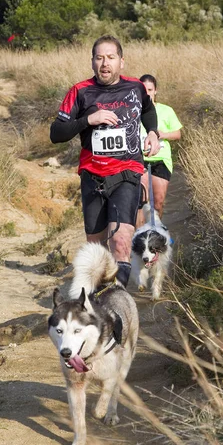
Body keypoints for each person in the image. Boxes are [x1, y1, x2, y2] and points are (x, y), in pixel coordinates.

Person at [50, 36, 160, 287]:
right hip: (93, 176)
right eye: (99, 58)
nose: (105, 63)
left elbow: (147, 110)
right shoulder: (80, 92)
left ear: (122, 61)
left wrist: (152, 132)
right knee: (96, 249)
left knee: (120, 241)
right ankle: (100, 295)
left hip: (127, 172)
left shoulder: (136, 87)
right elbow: (56, 133)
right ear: (92, 62)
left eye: (110, 57)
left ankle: (118, 298)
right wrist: (88, 120)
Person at [137, 74, 182, 225]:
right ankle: (141, 237)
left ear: (155, 91)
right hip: (139, 159)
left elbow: (178, 134)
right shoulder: (133, 111)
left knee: (158, 202)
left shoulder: (166, 110)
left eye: (150, 89)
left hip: (161, 159)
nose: (147, 93)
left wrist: (163, 134)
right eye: (144, 90)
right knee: (141, 202)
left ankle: (156, 234)